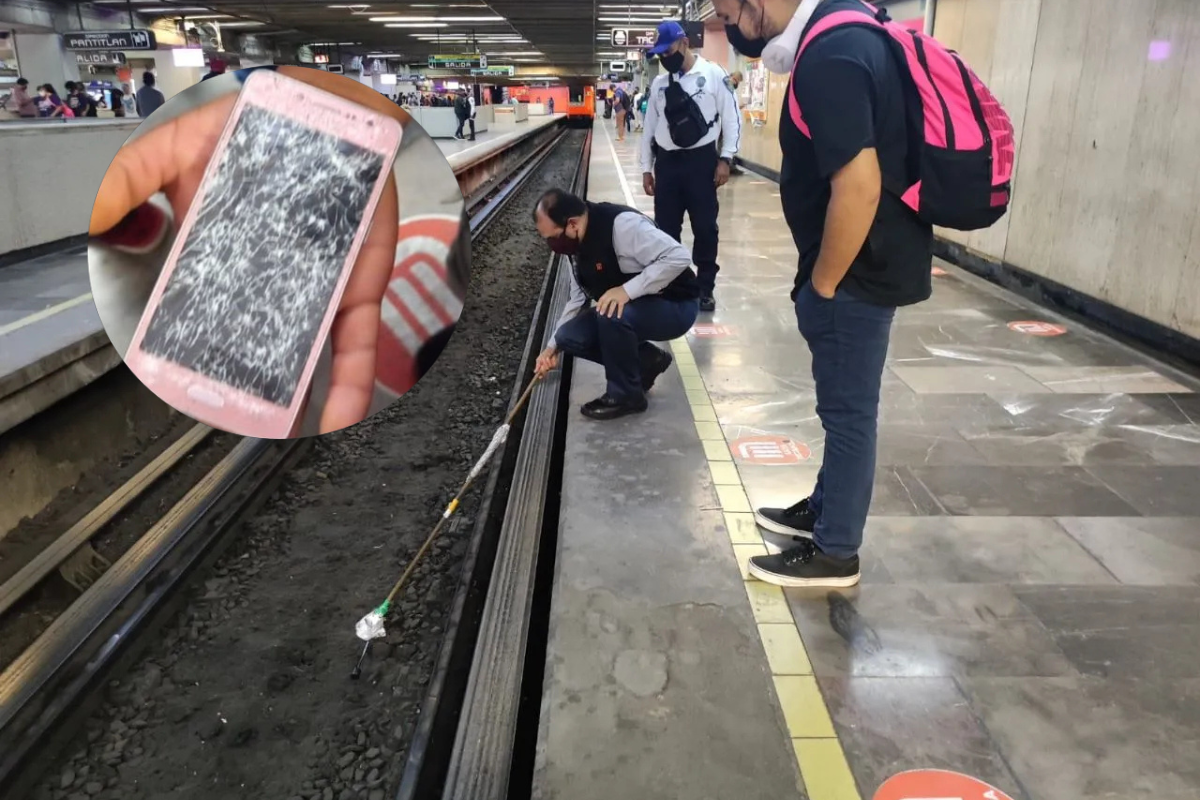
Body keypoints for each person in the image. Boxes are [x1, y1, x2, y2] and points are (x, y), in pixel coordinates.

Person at [715, 0, 933, 587]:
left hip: (855, 274)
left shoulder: (831, 55)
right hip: (867, 265)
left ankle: (836, 550)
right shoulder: (848, 32)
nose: (731, 22)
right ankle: (825, 510)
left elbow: (858, 187)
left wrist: (824, 284)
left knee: (849, 414)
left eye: (729, 9)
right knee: (841, 409)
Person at [533, 188, 700, 421]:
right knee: (568, 336)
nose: (552, 244)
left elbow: (679, 257)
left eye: (552, 237)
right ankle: (647, 361)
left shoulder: (622, 226)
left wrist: (626, 291)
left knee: (611, 314)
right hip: (639, 306)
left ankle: (626, 396)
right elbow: (578, 298)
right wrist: (552, 347)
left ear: (572, 224)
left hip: (676, 304)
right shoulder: (575, 247)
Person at [641, 20, 740, 313]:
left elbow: (732, 118)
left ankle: (705, 287)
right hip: (668, 166)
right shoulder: (659, 85)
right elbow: (649, 130)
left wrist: (726, 158)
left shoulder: (713, 75)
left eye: (667, 50)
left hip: (702, 163)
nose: (664, 58)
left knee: (705, 228)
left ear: (684, 42)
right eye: (659, 55)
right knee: (666, 230)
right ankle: (674, 285)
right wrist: (647, 168)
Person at [726, 71, 745, 175]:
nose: (736, 83)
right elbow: (728, 104)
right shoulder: (727, 85)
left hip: (728, 120)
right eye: (737, 80)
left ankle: (730, 165)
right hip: (725, 121)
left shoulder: (730, 87)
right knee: (726, 143)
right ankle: (728, 166)